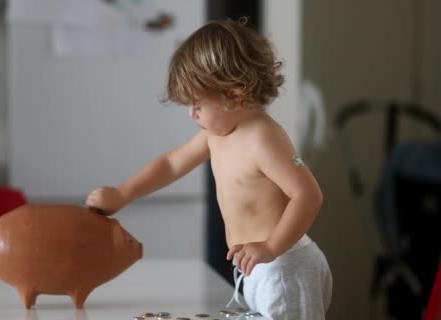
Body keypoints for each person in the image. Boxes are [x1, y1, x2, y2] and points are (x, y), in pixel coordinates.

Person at [85, 18, 332, 319]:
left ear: (234, 94)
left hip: (285, 265)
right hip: (257, 266)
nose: (191, 114)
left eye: (197, 105)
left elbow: (308, 195)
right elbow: (171, 164)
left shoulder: (262, 138)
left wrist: (270, 246)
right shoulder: (216, 135)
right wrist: (123, 194)